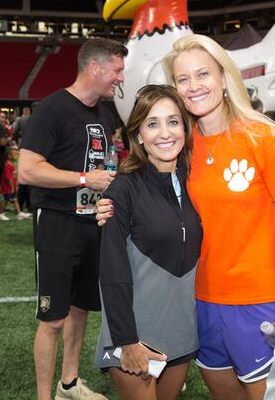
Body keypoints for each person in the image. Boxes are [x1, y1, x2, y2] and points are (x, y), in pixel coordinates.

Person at [98, 34, 275, 400]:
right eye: (183, 79)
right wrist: (112, 206)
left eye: (203, 74)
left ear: (223, 76)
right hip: (199, 305)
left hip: (259, 302)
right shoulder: (184, 145)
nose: (194, 86)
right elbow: (156, 196)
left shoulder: (262, 136)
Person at [19, 37, 127, 400]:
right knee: (53, 318)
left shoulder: (104, 112)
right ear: (94, 68)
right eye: (116, 70)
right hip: (57, 222)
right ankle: (44, 397)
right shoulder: (52, 109)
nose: (120, 78)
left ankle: (69, 384)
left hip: (92, 223)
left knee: (81, 308)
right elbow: (28, 171)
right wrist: (84, 180)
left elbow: (103, 162)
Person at [92, 84, 202, 400]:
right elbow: (111, 270)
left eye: (173, 121)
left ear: (185, 128)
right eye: (152, 124)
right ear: (139, 134)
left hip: (181, 330)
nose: (164, 133)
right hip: (135, 333)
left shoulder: (196, 182)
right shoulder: (123, 190)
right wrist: (127, 340)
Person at [0, 147, 31, 220]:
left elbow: (14, 177)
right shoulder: (7, 165)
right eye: (15, 155)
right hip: (7, 187)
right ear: (9, 156)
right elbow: (8, 178)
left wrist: (16, 185)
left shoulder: (11, 165)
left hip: (12, 186)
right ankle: (0, 214)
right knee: (5, 199)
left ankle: (19, 213)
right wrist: (12, 187)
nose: (17, 156)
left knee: (15, 199)